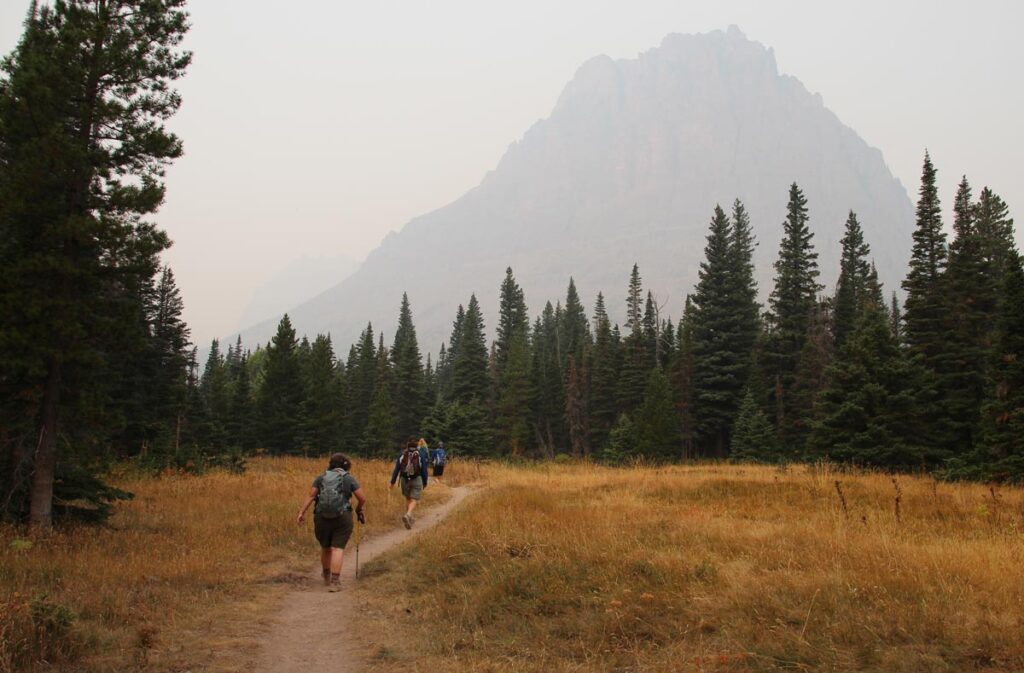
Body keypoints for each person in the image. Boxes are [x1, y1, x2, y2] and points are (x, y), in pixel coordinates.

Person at [296, 453, 365, 592]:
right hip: (343, 516)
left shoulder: (321, 478)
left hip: (321, 516)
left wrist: (301, 512)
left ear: (331, 464)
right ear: (346, 465)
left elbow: (312, 495)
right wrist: (359, 510)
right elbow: (362, 498)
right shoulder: (349, 478)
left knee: (325, 547)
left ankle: (326, 575)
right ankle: (335, 581)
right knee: (337, 548)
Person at [390, 438, 428, 529]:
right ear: (416, 446)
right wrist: (425, 481)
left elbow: (397, 469)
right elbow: (424, 470)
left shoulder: (403, 454)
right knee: (414, 499)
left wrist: (392, 482)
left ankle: (409, 519)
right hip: (416, 478)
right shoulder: (420, 454)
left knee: (408, 498)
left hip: (404, 479)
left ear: (407, 446)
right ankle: (408, 514)